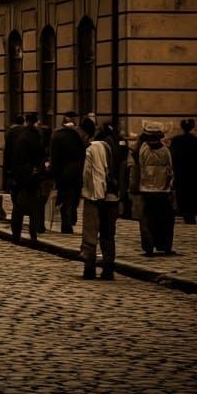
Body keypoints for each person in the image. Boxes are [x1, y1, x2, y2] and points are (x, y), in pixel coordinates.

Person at [80, 120, 119, 280]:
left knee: (90, 233)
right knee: (108, 235)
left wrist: (92, 194)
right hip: (112, 197)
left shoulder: (90, 150)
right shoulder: (110, 148)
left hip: (95, 198)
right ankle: (108, 269)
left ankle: (89, 269)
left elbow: (88, 175)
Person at [5, 112, 47, 245]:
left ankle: (16, 235)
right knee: (32, 207)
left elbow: (15, 158)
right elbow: (41, 156)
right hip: (32, 177)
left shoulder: (19, 135)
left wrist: (12, 175)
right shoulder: (36, 136)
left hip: (22, 177)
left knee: (19, 207)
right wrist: (38, 170)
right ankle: (32, 234)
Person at [134, 125, 175, 256]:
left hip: (146, 189)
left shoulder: (143, 149)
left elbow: (139, 167)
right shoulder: (165, 150)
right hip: (162, 190)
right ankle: (164, 245)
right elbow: (170, 170)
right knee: (164, 220)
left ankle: (149, 245)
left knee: (147, 220)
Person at [50, 112, 87, 233]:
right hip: (76, 172)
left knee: (64, 198)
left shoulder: (56, 136)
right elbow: (84, 153)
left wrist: (54, 173)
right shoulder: (79, 135)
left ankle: (66, 222)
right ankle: (69, 220)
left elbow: (54, 157)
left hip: (62, 173)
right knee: (72, 198)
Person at [170, 118, 197, 224]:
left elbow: (172, 156)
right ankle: (190, 215)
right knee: (192, 194)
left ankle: (184, 212)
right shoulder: (196, 141)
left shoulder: (176, 140)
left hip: (180, 172)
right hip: (193, 173)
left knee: (181, 193)